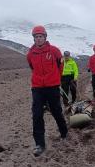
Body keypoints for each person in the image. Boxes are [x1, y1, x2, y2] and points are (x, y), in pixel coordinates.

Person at [27, 25, 68, 157]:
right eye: (36, 37)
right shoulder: (30, 54)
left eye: (40, 36)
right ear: (34, 38)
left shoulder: (54, 51)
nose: (38, 39)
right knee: (37, 114)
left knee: (56, 111)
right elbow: (32, 67)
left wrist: (55, 79)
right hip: (37, 87)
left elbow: (60, 66)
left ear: (45, 37)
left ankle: (64, 132)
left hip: (52, 87)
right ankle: (39, 144)